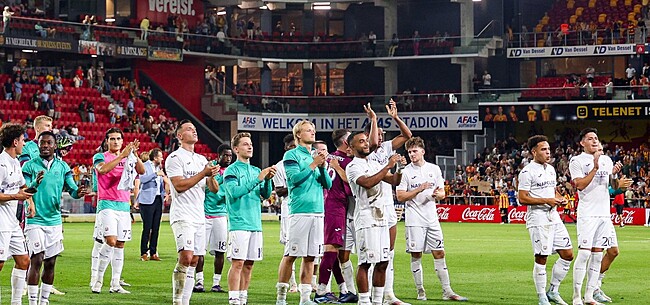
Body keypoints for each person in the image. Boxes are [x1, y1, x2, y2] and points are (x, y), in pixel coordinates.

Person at [22, 131, 88, 305]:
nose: (45, 146)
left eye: (48, 143)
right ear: (38, 145)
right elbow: (24, 191)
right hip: (35, 219)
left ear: (54, 146)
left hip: (54, 220)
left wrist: (79, 192)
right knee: (37, 259)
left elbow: (73, 190)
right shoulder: (29, 166)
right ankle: (32, 302)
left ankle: (44, 301)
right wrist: (35, 183)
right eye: (42, 143)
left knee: (51, 263)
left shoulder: (63, 167)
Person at [569, 128, 632, 305]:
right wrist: (596, 167)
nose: (595, 141)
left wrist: (617, 178)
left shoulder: (606, 160)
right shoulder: (577, 161)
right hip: (588, 214)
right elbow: (580, 185)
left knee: (597, 255)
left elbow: (609, 185)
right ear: (582, 143)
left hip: (604, 214)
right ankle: (576, 297)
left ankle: (589, 296)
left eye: (596, 138)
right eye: (590, 138)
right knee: (584, 254)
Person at [276, 120, 332, 305]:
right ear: (298, 134)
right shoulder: (292, 155)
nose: (313, 133)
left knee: (310, 257)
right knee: (291, 254)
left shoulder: (315, 156)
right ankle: (281, 297)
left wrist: (322, 168)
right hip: (299, 211)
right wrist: (314, 164)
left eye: (314, 130)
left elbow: (328, 185)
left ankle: (305, 298)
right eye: (308, 130)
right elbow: (294, 179)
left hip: (318, 211)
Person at [346, 130, 404, 305]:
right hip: (366, 219)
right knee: (365, 262)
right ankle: (364, 301)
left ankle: (378, 301)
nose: (365, 143)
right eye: (361, 141)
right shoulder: (352, 166)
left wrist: (399, 168)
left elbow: (394, 181)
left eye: (366, 141)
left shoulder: (372, 164)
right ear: (352, 146)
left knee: (384, 261)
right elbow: (367, 182)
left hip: (382, 218)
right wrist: (387, 165)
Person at [363, 100, 412, 305]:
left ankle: (388, 293)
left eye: (383, 133)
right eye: (378, 132)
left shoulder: (385, 148)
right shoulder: (366, 152)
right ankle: (372, 296)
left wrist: (396, 118)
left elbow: (408, 136)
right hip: (370, 207)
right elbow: (373, 144)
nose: (382, 136)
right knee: (372, 255)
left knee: (389, 252)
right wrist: (374, 119)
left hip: (387, 204)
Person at [166, 120, 220, 305]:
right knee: (186, 256)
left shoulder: (201, 160)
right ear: (180, 136)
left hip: (199, 216)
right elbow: (179, 186)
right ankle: (177, 300)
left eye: (195, 129)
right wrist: (203, 173)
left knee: (195, 260)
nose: (194, 131)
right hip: (182, 215)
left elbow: (214, 189)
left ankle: (185, 300)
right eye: (189, 129)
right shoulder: (174, 158)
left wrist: (211, 175)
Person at [517, 135, 574, 305]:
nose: (548, 152)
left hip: (554, 217)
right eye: (543, 149)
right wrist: (546, 201)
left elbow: (552, 191)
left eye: (548, 149)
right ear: (534, 152)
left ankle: (553, 291)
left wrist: (559, 198)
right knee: (542, 257)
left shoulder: (550, 169)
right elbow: (522, 198)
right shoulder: (527, 172)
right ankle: (541, 296)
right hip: (538, 219)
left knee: (568, 254)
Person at [91, 128, 145, 294]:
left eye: (118, 139)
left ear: (122, 141)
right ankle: (98, 280)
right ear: (107, 141)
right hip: (107, 204)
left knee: (120, 244)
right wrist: (122, 156)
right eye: (112, 139)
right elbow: (103, 170)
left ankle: (115, 284)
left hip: (123, 205)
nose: (115, 142)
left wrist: (133, 154)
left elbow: (142, 171)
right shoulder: (100, 157)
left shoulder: (128, 157)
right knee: (111, 241)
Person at [224, 132, 275, 305]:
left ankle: (243, 298)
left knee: (249, 264)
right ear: (236, 149)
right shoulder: (232, 170)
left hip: (255, 223)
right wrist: (258, 178)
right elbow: (234, 193)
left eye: (250, 143)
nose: (250, 146)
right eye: (245, 144)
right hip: (239, 223)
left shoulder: (255, 170)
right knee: (238, 263)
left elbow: (266, 195)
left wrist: (267, 180)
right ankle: (233, 299)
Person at [314, 129, 357, 304]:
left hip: (327, 205)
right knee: (331, 251)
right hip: (336, 207)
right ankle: (321, 292)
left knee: (335, 252)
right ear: (346, 143)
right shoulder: (347, 161)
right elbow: (351, 189)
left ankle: (343, 289)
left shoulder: (330, 157)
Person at [0, 123, 33, 305]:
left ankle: (15, 302)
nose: (24, 144)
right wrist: (17, 196)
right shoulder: (1, 164)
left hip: (11, 221)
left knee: (23, 260)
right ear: (15, 142)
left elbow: (21, 186)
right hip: (1, 222)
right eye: (22, 140)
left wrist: (31, 192)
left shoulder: (15, 163)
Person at [194, 144, 233, 293]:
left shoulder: (231, 172)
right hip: (204, 214)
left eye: (230, 156)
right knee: (200, 250)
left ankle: (216, 283)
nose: (228, 158)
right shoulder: (210, 169)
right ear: (219, 156)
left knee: (220, 251)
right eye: (225, 155)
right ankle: (199, 282)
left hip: (221, 215)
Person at [272, 134, 299, 293]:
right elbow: (280, 191)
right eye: (291, 146)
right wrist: (299, 185)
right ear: (285, 148)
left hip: (307, 207)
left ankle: (312, 284)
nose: (294, 149)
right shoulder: (279, 167)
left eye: (296, 146)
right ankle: (292, 283)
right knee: (291, 246)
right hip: (289, 207)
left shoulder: (305, 162)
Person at [135, 148, 169, 262]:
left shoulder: (159, 167)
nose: (162, 158)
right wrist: (155, 174)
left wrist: (164, 194)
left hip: (158, 199)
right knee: (147, 227)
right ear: (155, 158)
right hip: (147, 201)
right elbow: (143, 179)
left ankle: (153, 252)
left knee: (156, 228)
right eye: (160, 156)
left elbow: (160, 183)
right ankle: (144, 252)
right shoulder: (145, 166)